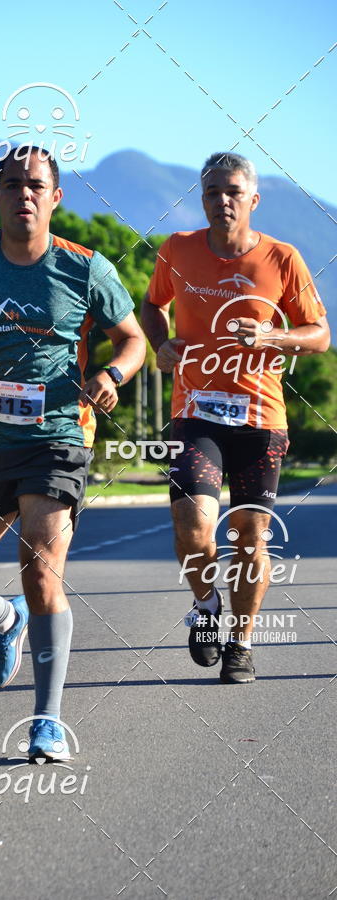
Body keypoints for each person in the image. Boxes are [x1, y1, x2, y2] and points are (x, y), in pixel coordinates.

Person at [0, 146, 145, 759]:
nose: (24, 194)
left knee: (41, 570)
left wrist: (112, 375)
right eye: (12, 184)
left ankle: (47, 720)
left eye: (36, 185)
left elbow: (133, 339)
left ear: (55, 196)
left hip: (57, 438)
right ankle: (3, 619)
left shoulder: (86, 268)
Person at [141, 151, 330, 684]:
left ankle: (241, 643)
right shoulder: (177, 249)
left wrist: (273, 336)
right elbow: (152, 306)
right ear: (201, 198)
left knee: (250, 536)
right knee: (192, 526)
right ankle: (206, 605)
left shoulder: (282, 258)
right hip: (195, 413)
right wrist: (161, 343)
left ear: (253, 199)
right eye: (211, 192)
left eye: (232, 192)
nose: (221, 201)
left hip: (260, 419)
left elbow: (319, 334)